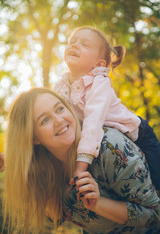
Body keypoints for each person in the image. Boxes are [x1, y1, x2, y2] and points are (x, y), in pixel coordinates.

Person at [3, 87, 160, 234]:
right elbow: (56, 220)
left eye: (59, 109)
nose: (59, 120)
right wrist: (17, 162)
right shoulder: (44, 170)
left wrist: (98, 204)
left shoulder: (109, 147)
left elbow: (154, 215)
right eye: (44, 120)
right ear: (34, 138)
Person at [54, 26, 160, 190]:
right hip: (107, 140)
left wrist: (80, 167)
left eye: (85, 44)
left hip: (140, 135)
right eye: (72, 41)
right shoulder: (61, 85)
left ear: (99, 63)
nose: (74, 45)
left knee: (156, 183)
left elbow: (93, 123)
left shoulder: (99, 82)